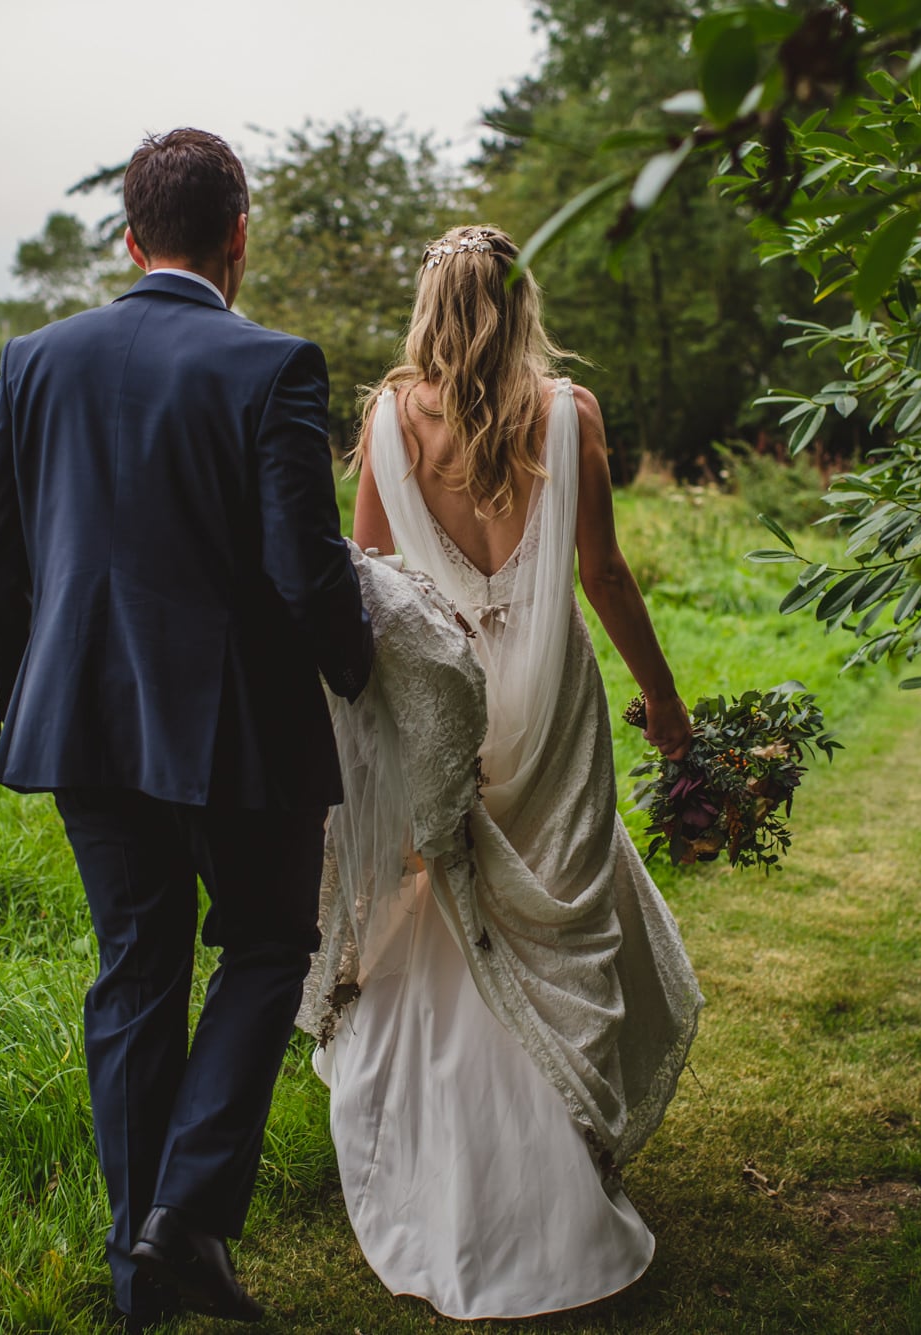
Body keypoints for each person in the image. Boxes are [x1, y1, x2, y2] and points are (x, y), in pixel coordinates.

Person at [0, 128, 372, 1332]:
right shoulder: (273, 366)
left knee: (136, 973)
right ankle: (184, 1216)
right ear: (237, 235)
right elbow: (305, 570)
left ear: (128, 236)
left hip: (80, 723)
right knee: (263, 947)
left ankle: (144, 1280)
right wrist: (355, 670)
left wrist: (32, 696)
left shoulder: (33, 359)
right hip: (243, 733)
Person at [311, 223, 703, 1320]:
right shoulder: (570, 416)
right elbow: (604, 573)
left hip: (439, 700)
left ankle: (449, 1173)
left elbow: (367, 586)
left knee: (443, 921)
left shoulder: (389, 420)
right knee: (560, 923)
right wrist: (664, 704)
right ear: (519, 305)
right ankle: (559, 1176)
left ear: (430, 306)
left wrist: (361, 733)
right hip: (546, 695)